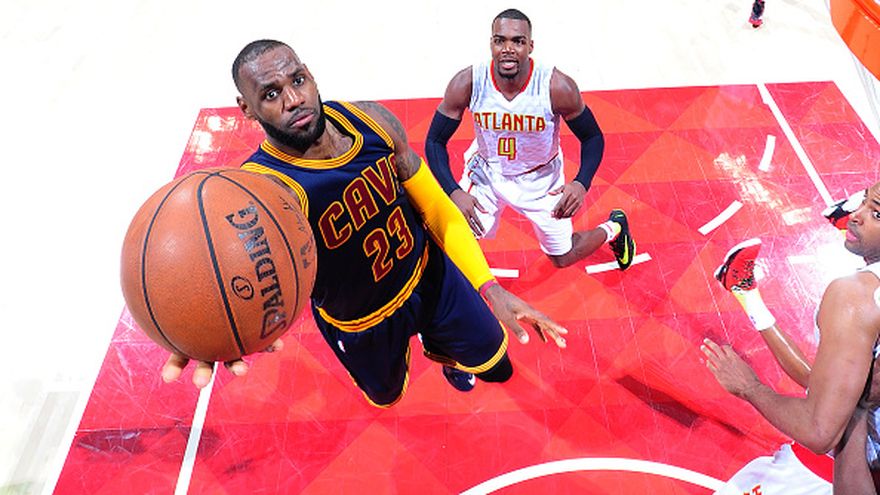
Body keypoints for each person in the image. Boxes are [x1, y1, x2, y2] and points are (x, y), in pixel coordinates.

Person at [160, 39, 569, 408]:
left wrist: (490, 288)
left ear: (311, 76)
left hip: (429, 276)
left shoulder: (372, 121)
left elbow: (436, 208)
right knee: (387, 396)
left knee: (497, 363)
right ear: (247, 108)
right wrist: (213, 329)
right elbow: (234, 276)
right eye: (271, 94)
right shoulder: (263, 192)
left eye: (297, 80)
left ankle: (444, 352)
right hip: (362, 322)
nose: (293, 100)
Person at [424, 8, 635, 270]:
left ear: (530, 46)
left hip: (541, 179)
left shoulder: (556, 86)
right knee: (453, 239)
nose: (508, 49)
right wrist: (454, 191)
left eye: (518, 41)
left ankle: (615, 228)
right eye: (500, 40)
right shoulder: (468, 82)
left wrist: (581, 183)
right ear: (491, 44)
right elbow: (434, 141)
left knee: (562, 257)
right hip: (488, 173)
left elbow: (592, 137)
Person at [702, 183, 880, 493]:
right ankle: (744, 291)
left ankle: (744, 291)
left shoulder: (855, 296)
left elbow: (819, 431)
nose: (855, 215)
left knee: (836, 398)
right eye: (862, 202)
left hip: (824, 474)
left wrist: (750, 388)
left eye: (876, 213)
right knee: (836, 383)